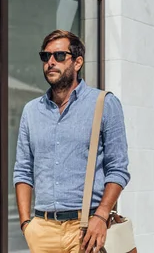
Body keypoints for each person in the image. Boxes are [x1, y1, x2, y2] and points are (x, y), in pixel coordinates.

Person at [13, 30, 131, 253]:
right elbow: (22, 170)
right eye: (45, 56)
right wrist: (26, 224)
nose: (50, 62)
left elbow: (118, 169)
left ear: (77, 62)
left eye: (58, 56)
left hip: (86, 229)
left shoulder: (104, 103)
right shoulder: (31, 111)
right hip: (42, 231)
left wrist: (101, 215)